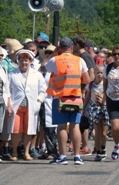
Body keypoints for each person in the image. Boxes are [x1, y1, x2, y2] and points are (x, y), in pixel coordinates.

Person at [44, 37, 90, 165]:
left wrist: (54, 53)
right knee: (75, 126)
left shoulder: (55, 60)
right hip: (76, 97)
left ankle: (63, 156)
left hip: (60, 98)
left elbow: (43, 67)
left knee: (62, 126)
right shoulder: (79, 60)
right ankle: (76, 156)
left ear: (60, 47)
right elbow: (86, 79)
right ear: (71, 47)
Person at [8, 49, 47, 160]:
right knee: (16, 130)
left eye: (26, 60)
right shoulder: (12, 74)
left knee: (28, 130)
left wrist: (39, 101)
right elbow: (7, 90)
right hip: (17, 106)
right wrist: (9, 104)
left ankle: (26, 152)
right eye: (21, 60)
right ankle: (14, 152)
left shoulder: (37, 75)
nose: (24, 63)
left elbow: (43, 89)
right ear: (18, 61)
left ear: (30, 61)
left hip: (31, 106)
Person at [83, 64, 109, 161]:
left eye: (102, 73)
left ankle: (103, 147)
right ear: (94, 73)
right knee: (96, 131)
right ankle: (98, 150)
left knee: (103, 132)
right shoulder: (91, 84)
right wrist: (83, 109)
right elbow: (87, 97)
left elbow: (109, 95)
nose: (100, 75)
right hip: (94, 108)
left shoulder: (106, 84)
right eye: (98, 72)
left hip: (104, 108)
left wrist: (103, 99)